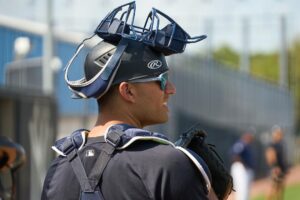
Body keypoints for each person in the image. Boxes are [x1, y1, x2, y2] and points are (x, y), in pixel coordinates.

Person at [41, 2, 221, 200]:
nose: (171, 89)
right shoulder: (167, 163)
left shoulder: (58, 167)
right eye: (161, 80)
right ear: (128, 91)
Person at [265, 125, 289, 200]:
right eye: (279, 133)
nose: (280, 135)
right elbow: (270, 157)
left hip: (281, 169)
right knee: (272, 190)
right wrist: (274, 167)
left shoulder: (281, 144)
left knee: (280, 191)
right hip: (275, 170)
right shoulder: (272, 144)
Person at [229, 129, 255, 200]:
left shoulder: (247, 145)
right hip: (241, 169)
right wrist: (242, 164)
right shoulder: (241, 143)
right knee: (242, 191)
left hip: (245, 169)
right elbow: (234, 154)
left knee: (245, 192)